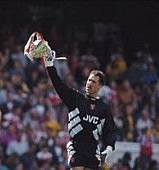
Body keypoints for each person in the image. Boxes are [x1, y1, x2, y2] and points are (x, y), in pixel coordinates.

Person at [31, 36, 116, 170]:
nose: (89, 84)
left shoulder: (104, 108)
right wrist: (49, 64)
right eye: (88, 80)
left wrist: (110, 146)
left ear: (100, 86)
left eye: (93, 82)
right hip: (76, 146)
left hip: (93, 149)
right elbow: (58, 85)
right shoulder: (76, 98)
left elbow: (110, 130)